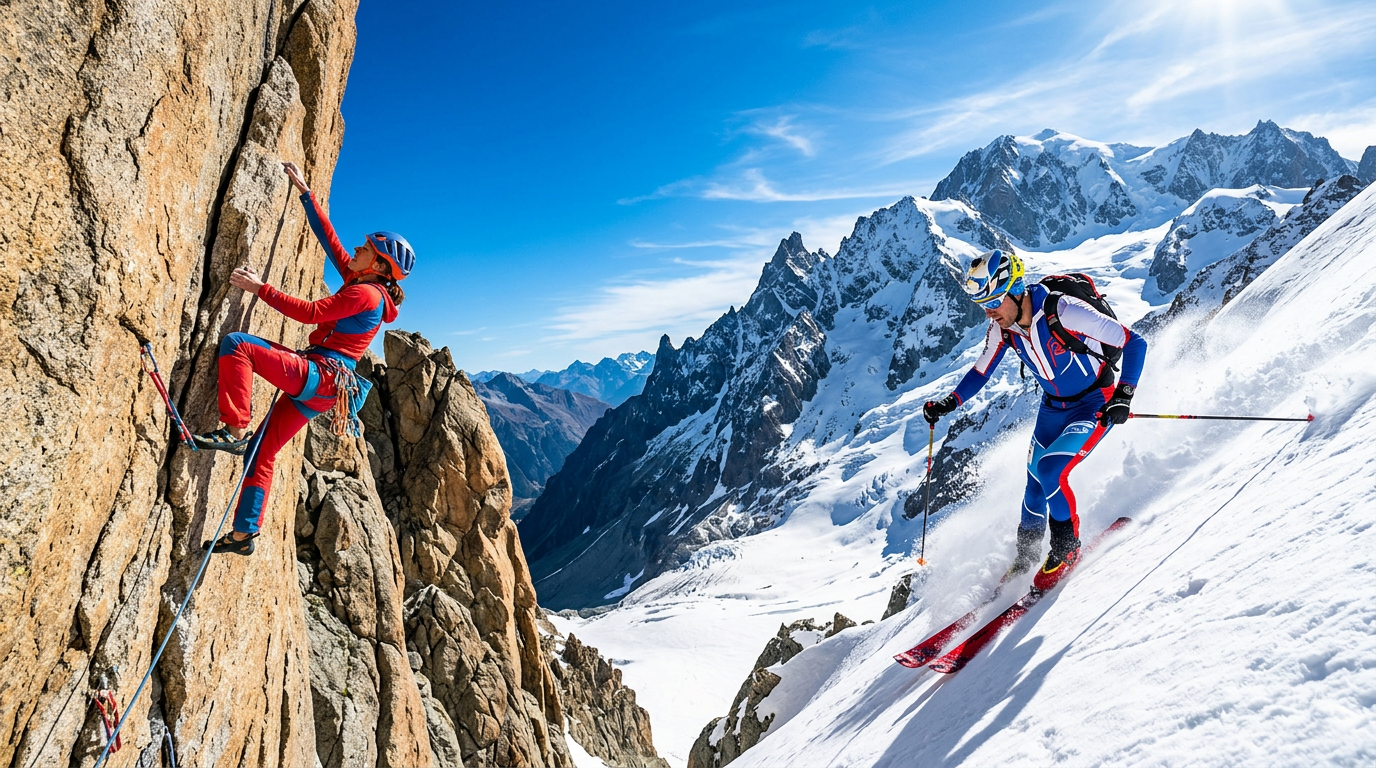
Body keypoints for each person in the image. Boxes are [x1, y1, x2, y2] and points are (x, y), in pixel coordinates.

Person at [192, 161, 413, 555]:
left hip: (320, 375)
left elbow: (311, 313)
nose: (357, 250)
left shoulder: (364, 294)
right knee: (264, 451)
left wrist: (261, 288)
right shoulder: (364, 284)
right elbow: (331, 243)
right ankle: (244, 534)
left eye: (365, 248)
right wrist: (306, 194)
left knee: (238, 345)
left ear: (378, 264)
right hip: (326, 388)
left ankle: (234, 429)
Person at [922, 248, 1146, 591]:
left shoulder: (1065, 311)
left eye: (994, 302)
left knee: (1050, 471)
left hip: (1093, 404)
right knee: (1033, 485)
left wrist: (1124, 395)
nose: (990, 313)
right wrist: (949, 403)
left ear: (1014, 290)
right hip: (1053, 407)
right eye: (984, 305)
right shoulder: (1004, 329)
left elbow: (1134, 344)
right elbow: (981, 372)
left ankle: (1066, 550)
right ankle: (1025, 558)